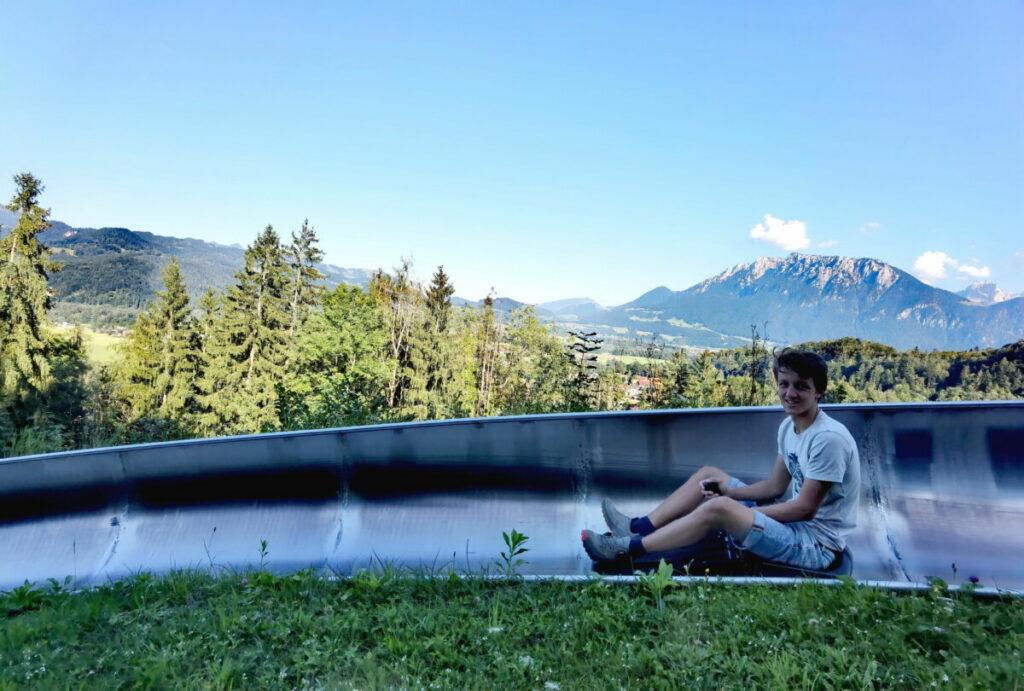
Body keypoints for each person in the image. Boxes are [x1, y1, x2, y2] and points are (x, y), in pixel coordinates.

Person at [582, 348, 860, 572]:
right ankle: (636, 528)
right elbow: (774, 487)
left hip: (815, 546)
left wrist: (735, 512)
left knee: (719, 509)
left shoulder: (828, 439)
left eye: (801, 387)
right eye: (784, 384)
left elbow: (804, 510)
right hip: (794, 527)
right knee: (709, 474)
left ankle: (626, 550)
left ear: (819, 391)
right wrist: (728, 491)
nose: (790, 393)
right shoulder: (790, 427)